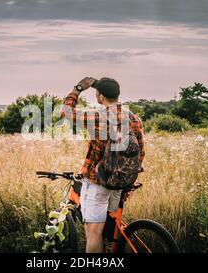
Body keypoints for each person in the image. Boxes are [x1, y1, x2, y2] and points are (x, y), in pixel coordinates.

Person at [61, 76, 145, 253]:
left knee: (94, 233)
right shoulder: (135, 119)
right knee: (110, 230)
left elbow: (66, 112)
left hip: (97, 182)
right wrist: (128, 179)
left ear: (100, 96)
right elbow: (140, 152)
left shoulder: (98, 117)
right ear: (117, 94)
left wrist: (78, 88)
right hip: (122, 181)